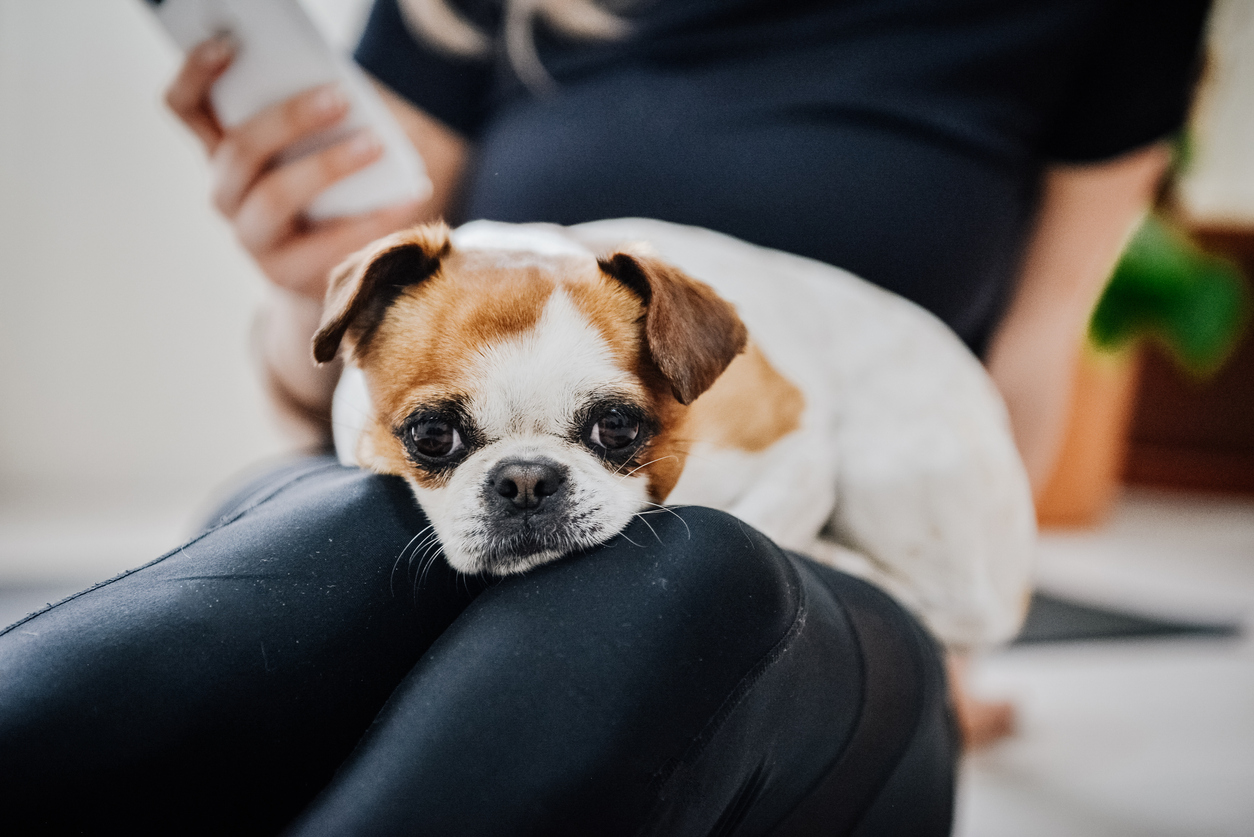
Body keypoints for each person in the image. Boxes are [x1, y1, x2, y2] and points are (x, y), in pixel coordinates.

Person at [0, 0, 1209, 833]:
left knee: (677, 573)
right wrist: (290, 274)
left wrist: (960, 622)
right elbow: (322, 372)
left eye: (613, 428)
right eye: (445, 434)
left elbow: (1031, 362)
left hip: (780, 573)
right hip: (375, 518)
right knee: (338, 524)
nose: (527, 478)